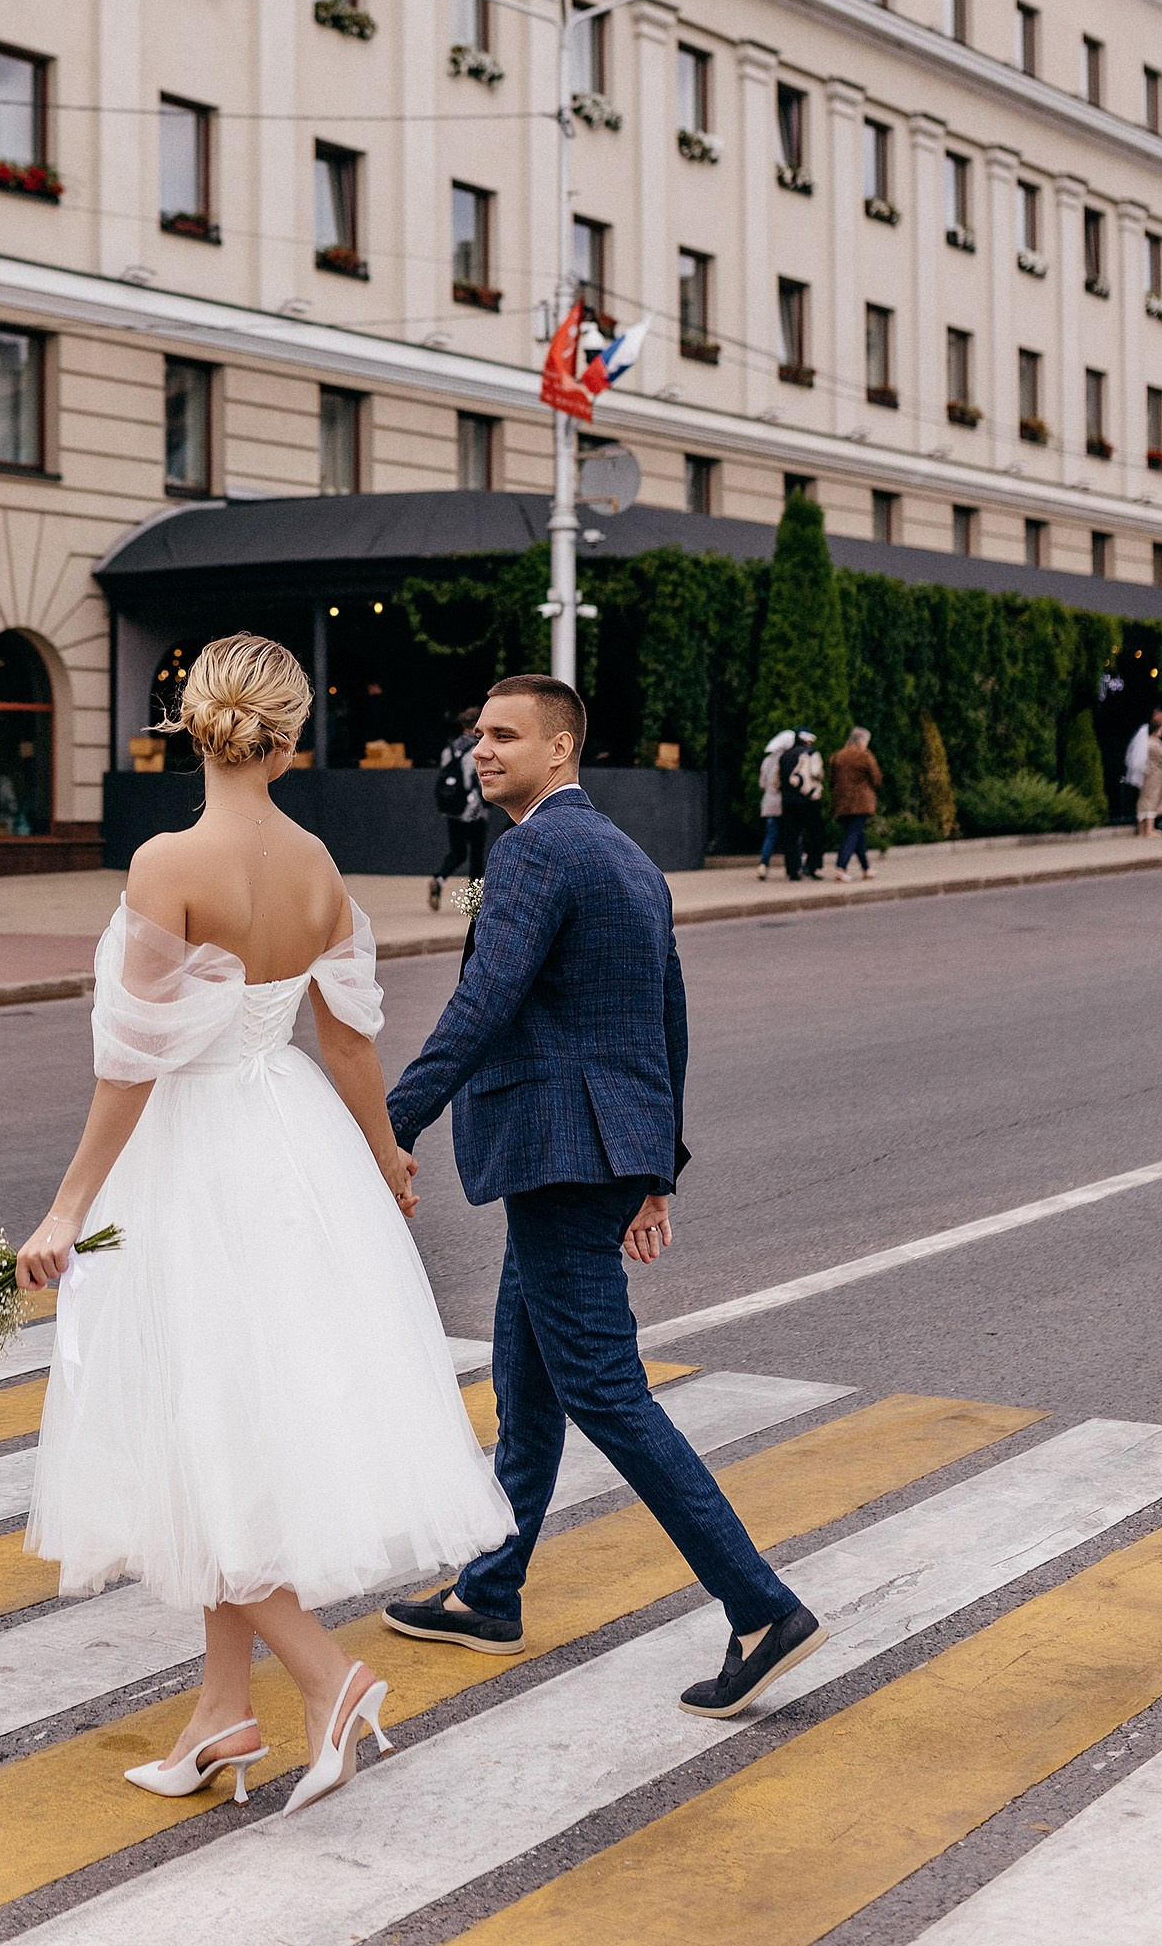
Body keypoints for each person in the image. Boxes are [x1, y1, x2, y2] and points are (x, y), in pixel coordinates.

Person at [18, 634, 511, 1818]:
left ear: (188, 725)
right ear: (289, 741)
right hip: (293, 1145)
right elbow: (347, 1038)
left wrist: (67, 1206)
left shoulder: (165, 861)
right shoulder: (316, 865)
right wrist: (383, 1155)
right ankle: (219, 1715)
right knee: (231, 1425)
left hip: (190, 1152)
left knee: (194, 1429)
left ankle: (328, 1677)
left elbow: (130, 1063)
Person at [379, 674, 825, 1723]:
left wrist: (389, 1121)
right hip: (598, 1150)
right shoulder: (627, 857)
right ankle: (490, 1590)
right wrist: (655, 1168)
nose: (482, 750)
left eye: (504, 735)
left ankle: (759, 1607)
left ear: (559, 749)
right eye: (478, 733)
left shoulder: (532, 851)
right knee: (528, 1383)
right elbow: (667, 1019)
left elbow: (484, 1000)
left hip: (557, 1152)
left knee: (605, 1391)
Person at [429, 710, 487, 909]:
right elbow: (475, 780)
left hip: (453, 809)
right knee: (476, 855)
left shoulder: (450, 748)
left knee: (458, 852)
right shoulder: (477, 749)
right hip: (473, 810)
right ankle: (474, 901)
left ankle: (439, 878)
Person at [828, 726, 882, 879]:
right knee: (853, 834)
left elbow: (831, 780)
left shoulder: (838, 756)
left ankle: (866, 868)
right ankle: (841, 867)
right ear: (861, 740)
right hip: (861, 801)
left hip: (842, 801)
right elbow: (876, 778)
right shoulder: (864, 755)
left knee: (857, 834)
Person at [776, 729, 827, 882]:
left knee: (791, 836)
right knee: (815, 834)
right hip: (808, 800)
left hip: (788, 801)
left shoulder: (784, 756)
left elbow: (777, 780)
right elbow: (817, 773)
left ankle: (793, 870)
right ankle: (812, 866)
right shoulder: (811, 754)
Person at [754, 728, 793, 880]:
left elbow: (762, 784)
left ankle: (763, 865)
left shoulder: (767, 760)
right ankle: (794, 866)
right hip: (782, 802)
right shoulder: (786, 759)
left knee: (770, 835)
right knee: (792, 836)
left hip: (768, 802)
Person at [1134, 707, 1162, 838]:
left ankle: (1141, 829)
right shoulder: (1156, 744)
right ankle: (1150, 829)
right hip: (1155, 775)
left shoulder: (1143, 743)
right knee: (1152, 800)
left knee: (1143, 800)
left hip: (1144, 774)